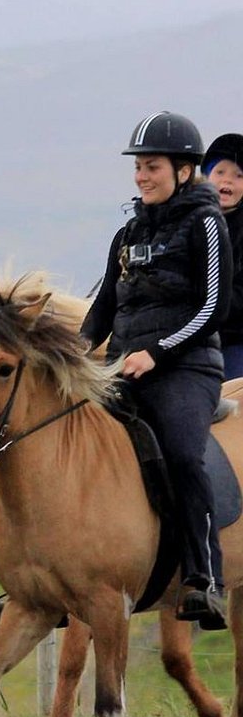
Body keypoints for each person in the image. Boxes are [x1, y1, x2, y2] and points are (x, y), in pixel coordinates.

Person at [81, 111, 231, 630]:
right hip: (122, 366)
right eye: (139, 167)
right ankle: (51, 571)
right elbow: (102, 308)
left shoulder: (207, 224)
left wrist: (159, 352)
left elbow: (214, 308)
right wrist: (74, 360)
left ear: (184, 171)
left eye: (152, 167)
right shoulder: (126, 233)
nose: (142, 176)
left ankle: (203, 577)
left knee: (185, 456)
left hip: (186, 367)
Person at [202, 133, 243, 381]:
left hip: (234, 340)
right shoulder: (189, 223)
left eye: (239, 175)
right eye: (220, 172)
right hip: (188, 341)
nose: (227, 180)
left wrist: (205, 303)